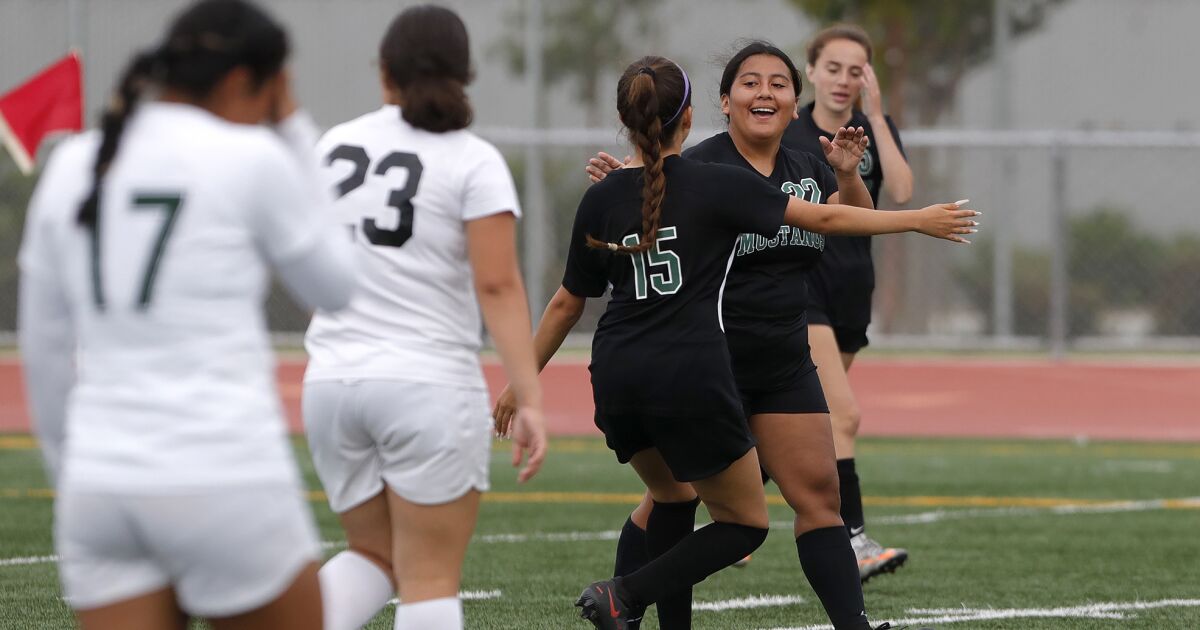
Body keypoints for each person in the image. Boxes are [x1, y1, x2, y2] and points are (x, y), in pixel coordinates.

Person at [495, 53, 975, 630]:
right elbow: (819, 223)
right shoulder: (710, 173)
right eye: (750, 82)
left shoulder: (796, 166)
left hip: (742, 360)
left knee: (805, 495)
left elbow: (570, 299)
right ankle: (626, 597)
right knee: (704, 511)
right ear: (711, 107)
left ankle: (848, 625)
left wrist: (848, 176)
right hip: (704, 364)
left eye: (778, 83)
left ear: (796, 104)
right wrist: (919, 218)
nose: (764, 92)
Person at [17, 1, 356, 628]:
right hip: (223, 473)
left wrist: (76, 468)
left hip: (102, 486)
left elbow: (42, 348)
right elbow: (338, 287)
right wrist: (294, 127)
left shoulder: (70, 165)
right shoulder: (249, 158)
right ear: (240, 81)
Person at [300, 6, 547, 630]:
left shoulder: (333, 145)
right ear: (465, 74)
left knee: (372, 556)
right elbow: (496, 284)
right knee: (429, 578)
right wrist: (532, 399)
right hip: (425, 383)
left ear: (385, 71)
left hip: (330, 381)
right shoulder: (471, 158)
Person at [781, 24, 914, 581]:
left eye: (855, 70)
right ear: (811, 71)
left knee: (801, 421)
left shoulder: (873, 130)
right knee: (843, 415)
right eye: (832, 68)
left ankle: (726, 513)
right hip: (800, 286)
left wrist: (878, 115)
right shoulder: (788, 132)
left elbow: (903, 193)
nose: (842, 80)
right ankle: (854, 541)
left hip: (852, 291)